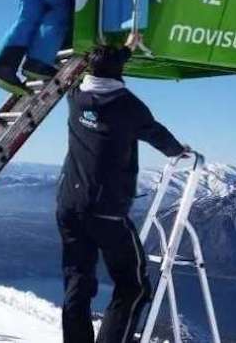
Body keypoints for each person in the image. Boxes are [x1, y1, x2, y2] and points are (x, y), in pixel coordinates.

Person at [57, 38, 190, 343]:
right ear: (120, 72)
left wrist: (119, 51)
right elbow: (155, 132)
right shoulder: (127, 106)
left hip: (68, 204)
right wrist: (177, 150)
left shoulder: (76, 97)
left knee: (77, 281)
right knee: (134, 286)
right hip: (106, 211)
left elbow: (84, 72)